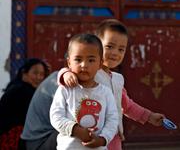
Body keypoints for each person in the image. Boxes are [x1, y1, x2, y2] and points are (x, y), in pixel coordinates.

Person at [57, 19, 165, 150]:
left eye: (121, 49)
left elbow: (127, 106)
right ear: (96, 46)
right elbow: (67, 72)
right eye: (109, 47)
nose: (115, 53)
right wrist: (65, 74)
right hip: (88, 135)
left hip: (112, 137)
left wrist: (149, 116)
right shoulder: (89, 72)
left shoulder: (117, 80)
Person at [50, 33, 119, 150]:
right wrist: (75, 129)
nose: (84, 65)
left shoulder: (106, 93)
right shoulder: (65, 89)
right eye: (78, 59)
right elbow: (55, 116)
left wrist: (102, 139)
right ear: (69, 63)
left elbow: (112, 119)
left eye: (91, 60)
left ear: (100, 64)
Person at [0, 58, 49, 149]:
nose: (39, 77)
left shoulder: (17, 87)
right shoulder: (22, 91)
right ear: (24, 74)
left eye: (42, 74)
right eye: (35, 73)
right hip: (11, 138)